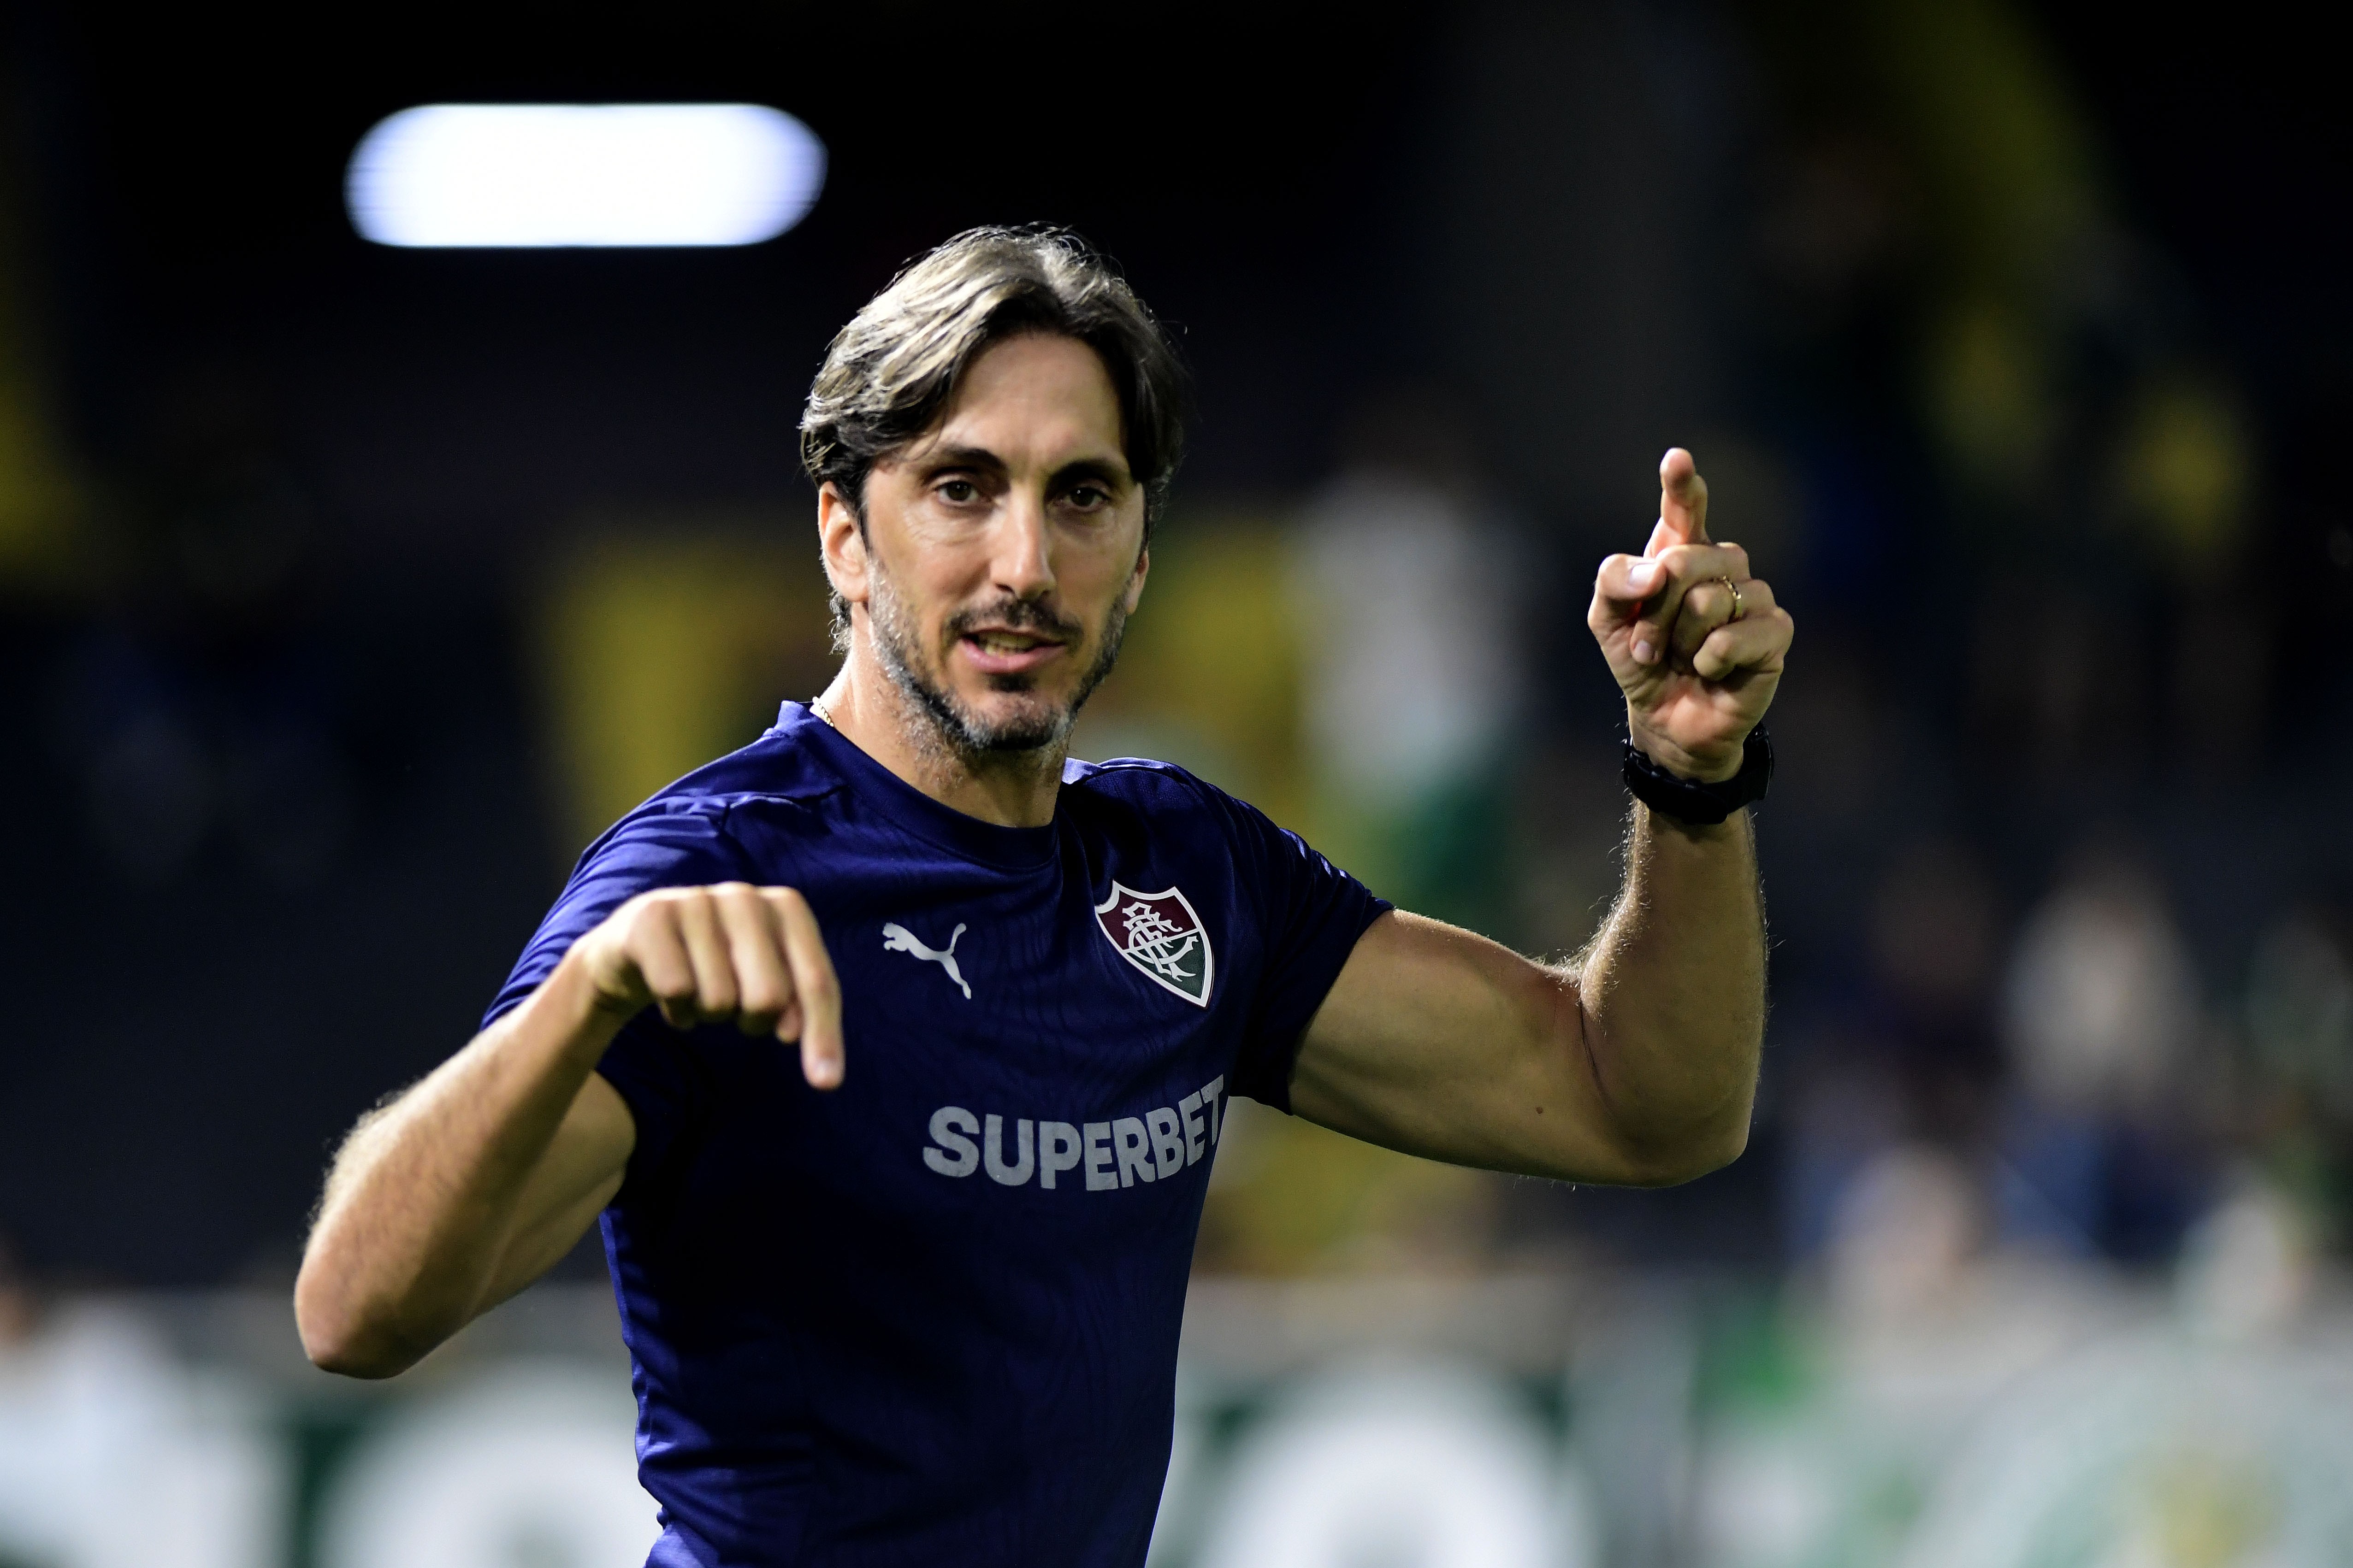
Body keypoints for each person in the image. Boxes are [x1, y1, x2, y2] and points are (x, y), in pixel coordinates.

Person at [294, 227, 1793, 1567]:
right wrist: (582, 1004)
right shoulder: (715, 874)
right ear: (845, 536)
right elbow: (353, 1313)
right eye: (962, 488)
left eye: (1082, 496)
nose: (1027, 562)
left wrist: (1690, 782)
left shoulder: (1191, 871)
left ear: (1137, 555)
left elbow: (1644, 1105)